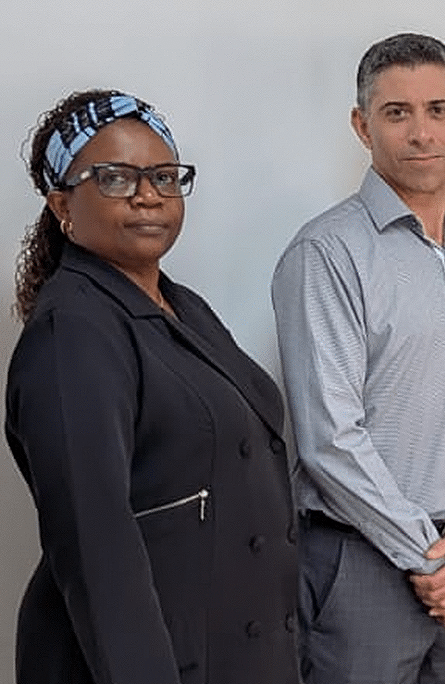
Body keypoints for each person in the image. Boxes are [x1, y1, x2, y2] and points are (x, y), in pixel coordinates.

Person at [271, 33, 445, 684]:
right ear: (363, 126)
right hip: (362, 566)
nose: (422, 132)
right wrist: (431, 559)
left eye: (438, 110)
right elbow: (330, 440)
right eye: (397, 113)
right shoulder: (326, 255)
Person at [5, 90, 299, 684]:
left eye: (165, 176)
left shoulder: (183, 306)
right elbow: (95, 543)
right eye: (115, 178)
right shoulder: (73, 334)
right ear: (63, 203)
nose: (148, 194)